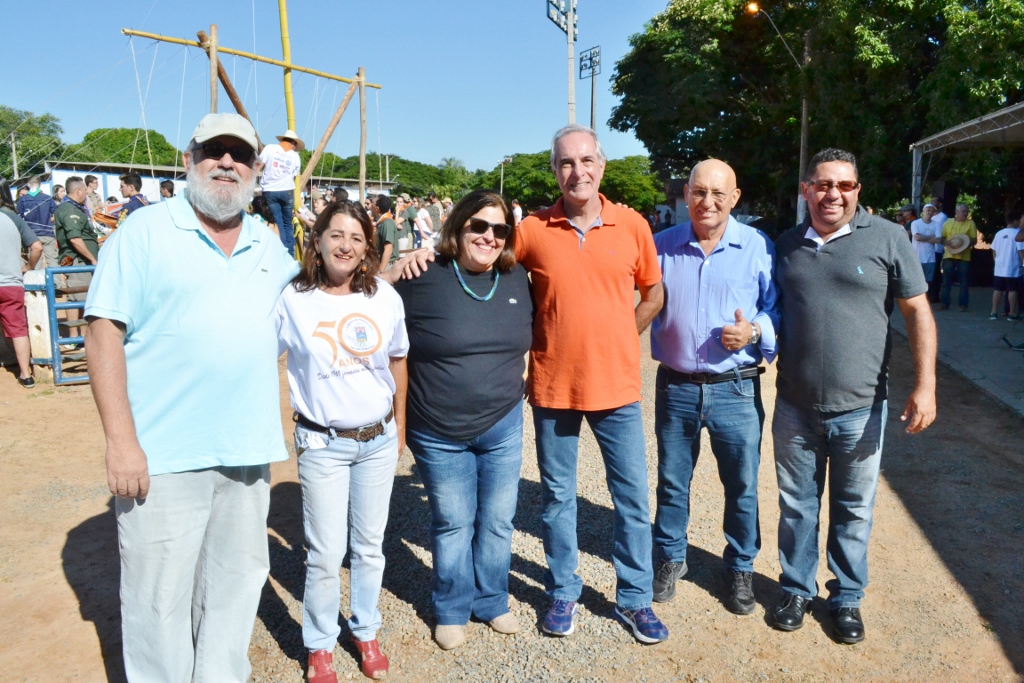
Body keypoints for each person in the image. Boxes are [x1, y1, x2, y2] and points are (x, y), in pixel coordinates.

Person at [390, 125, 668, 643]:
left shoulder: (633, 226)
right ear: (554, 171)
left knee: (631, 498)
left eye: (586, 161)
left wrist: (618, 334)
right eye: (565, 163)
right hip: (554, 388)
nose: (577, 171)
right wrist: (416, 256)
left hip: (618, 388)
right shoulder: (533, 230)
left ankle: (635, 599)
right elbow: (480, 252)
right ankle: (563, 591)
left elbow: (653, 293)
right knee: (558, 500)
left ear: (601, 166)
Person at [84, 113, 300, 681]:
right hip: (162, 456)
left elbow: (330, 293)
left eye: (240, 155)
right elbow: (102, 331)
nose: (226, 162)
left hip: (246, 453)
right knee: (158, 599)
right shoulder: (145, 231)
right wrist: (121, 442)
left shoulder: (268, 246)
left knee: (234, 586)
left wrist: (403, 269)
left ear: (257, 170)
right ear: (189, 158)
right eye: (214, 151)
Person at [771, 148, 936, 644]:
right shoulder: (785, 244)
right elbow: (766, 310)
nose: (833, 195)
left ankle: (845, 597)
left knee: (853, 508)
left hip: (862, 408)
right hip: (794, 406)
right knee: (797, 506)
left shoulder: (888, 237)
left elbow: (917, 312)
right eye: (822, 185)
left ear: (857, 190)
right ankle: (796, 588)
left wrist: (926, 385)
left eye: (844, 185)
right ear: (806, 190)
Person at [394, 190, 533, 651]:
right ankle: (452, 607)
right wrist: (392, 268)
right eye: (478, 226)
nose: (489, 237)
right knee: (453, 522)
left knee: (497, 520)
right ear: (457, 227)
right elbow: (364, 302)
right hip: (438, 429)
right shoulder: (422, 275)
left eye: (499, 229)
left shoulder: (518, 279)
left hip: (503, 423)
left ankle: (492, 600)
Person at [277, 200, 408, 682]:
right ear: (317, 240)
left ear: (367, 247)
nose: (345, 245)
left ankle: (366, 629)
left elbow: (398, 362)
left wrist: (401, 427)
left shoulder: (383, 298)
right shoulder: (293, 298)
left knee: (370, 547)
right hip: (322, 444)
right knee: (325, 552)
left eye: (356, 237)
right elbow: (257, 355)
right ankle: (320, 644)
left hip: (377, 439)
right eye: (336, 234)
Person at [649, 159, 779, 615]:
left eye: (718, 194)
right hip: (676, 387)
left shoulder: (758, 247)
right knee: (671, 481)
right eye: (699, 192)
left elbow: (776, 309)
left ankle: (741, 567)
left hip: (736, 389)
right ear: (685, 194)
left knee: (741, 484)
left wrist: (755, 333)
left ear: (735, 198)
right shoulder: (661, 245)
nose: (708, 202)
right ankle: (669, 557)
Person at [0, 178, 42, 387]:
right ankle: (26, 374)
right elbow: (37, 246)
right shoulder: (14, 218)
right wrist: (28, 268)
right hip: (11, 283)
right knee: (18, 329)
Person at [53, 176, 98, 324]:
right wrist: (92, 259)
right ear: (78, 191)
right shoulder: (69, 209)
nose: (86, 193)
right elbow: (75, 239)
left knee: (82, 297)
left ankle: (80, 336)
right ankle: (76, 336)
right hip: (78, 260)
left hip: (80, 260)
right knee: (78, 298)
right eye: (85, 190)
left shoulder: (74, 208)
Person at [259, 129, 304, 257]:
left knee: (277, 223)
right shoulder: (295, 156)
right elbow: (294, 178)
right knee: (287, 224)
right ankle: (290, 253)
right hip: (287, 191)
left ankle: (280, 252)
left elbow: (259, 165)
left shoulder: (269, 149)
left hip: (270, 190)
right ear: (293, 143)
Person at [939, 203, 977, 311]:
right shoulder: (948, 222)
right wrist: (949, 243)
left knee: (964, 282)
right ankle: (944, 303)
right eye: (963, 211)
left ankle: (963, 305)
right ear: (957, 212)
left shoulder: (971, 224)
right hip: (949, 255)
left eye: (966, 211)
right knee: (946, 281)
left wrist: (964, 244)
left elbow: (974, 240)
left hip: (964, 257)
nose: (965, 213)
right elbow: (942, 238)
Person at [16, 176, 57, 269]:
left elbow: (19, 217)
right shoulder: (48, 198)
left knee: (35, 263)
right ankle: (56, 283)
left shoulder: (23, 199)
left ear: (29, 185)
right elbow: (55, 215)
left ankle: (37, 283)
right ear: (40, 184)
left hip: (32, 236)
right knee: (53, 261)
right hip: (48, 233)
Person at [990, 208, 1024, 321]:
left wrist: (997, 261)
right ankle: (1013, 313)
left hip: (999, 267)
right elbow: (1020, 251)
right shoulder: (1018, 234)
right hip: (1013, 267)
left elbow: (994, 250)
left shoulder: (999, 233)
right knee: (1012, 290)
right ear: (1015, 221)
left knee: (998, 289)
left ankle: (994, 312)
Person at [910, 204, 943, 283]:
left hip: (930, 258)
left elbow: (938, 240)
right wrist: (931, 236)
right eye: (928, 210)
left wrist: (922, 237)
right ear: (923, 211)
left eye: (932, 211)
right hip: (917, 258)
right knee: (916, 281)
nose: (930, 212)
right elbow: (917, 237)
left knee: (928, 282)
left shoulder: (936, 224)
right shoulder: (915, 223)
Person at [370, 195, 399, 271]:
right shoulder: (381, 222)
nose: (370, 205)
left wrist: (380, 272)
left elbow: (388, 250)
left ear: (377, 208)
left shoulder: (387, 223)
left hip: (386, 266)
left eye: (372, 203)